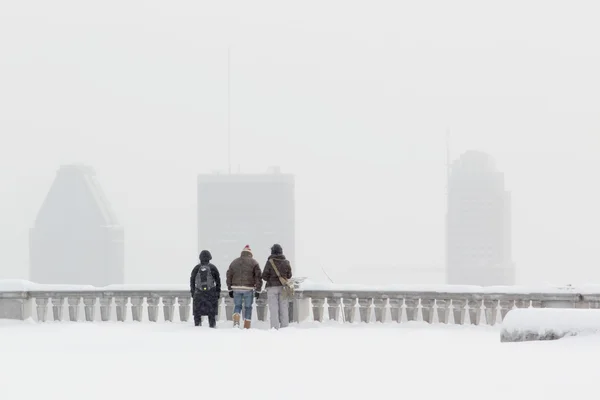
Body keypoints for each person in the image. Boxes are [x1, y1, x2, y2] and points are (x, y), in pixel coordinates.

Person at [226, 244, 262, 329]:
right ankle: (247, 325)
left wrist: (230, 289)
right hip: (248, 288)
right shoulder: (254, 262)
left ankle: (236, 319)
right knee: (248, 307)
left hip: (236, 288)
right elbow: (258, 277)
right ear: (250, 253)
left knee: (237, 305)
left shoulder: (234, 262)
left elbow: (229, 276)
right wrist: (258, 290)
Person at [261, 244, 293, 329]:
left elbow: (264, 276)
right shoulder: (286, 262)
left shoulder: (270, 262)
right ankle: (285, 327)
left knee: (273, 309)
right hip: (283, 288)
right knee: (284, 308)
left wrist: (271, 279)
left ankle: (274, 328)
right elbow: (289, 275)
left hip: (271, 287)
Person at [190, 250, 221, 328]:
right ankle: (212, 326)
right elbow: (218, 281)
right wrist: (217, 292)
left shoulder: (196, 268)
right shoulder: (213, 268)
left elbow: (192, 281)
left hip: (198, 293)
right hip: (210, 293)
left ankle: (197, 326)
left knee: (197, 313)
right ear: (210, 258)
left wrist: (193, 292)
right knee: (211, 313)